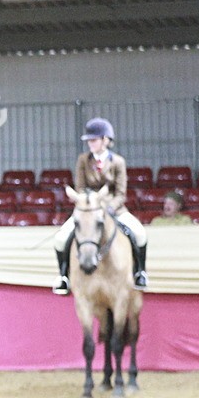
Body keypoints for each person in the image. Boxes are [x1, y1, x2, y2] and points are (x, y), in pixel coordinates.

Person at [53, 118, 147, 294]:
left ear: (105, 140)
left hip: (113, 209)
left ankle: (140, 272)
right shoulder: (83, 160)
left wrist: (108, 208)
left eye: (94, 140)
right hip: (88, 209)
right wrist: (88, 204)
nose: (90, 143)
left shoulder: (118, 162)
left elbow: (120, 194)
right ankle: (63, 276)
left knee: (139, 233)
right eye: (89, 140)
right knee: (61, 238)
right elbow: (80, 187)